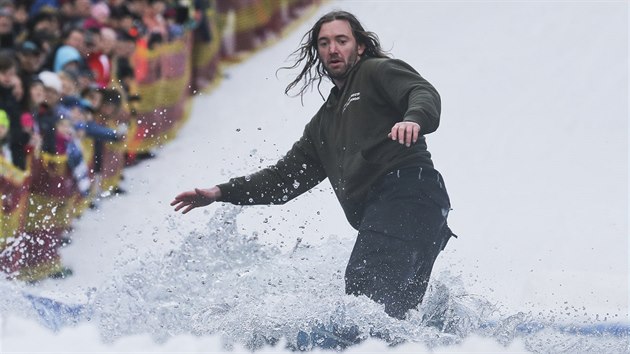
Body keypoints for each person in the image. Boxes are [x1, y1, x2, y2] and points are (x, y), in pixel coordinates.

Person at [171, 10, 455, 320]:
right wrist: (220, 192)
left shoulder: (375, 71)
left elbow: (421, 92)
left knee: (364, 303)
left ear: (359, 47)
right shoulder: (323, 124)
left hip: (407, 192)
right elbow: (282, 180)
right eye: (324, 43)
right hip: (412, 211)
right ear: (318, 51)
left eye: (341, 40)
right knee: (392, 318)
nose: (333, 49)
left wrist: (413, 119)